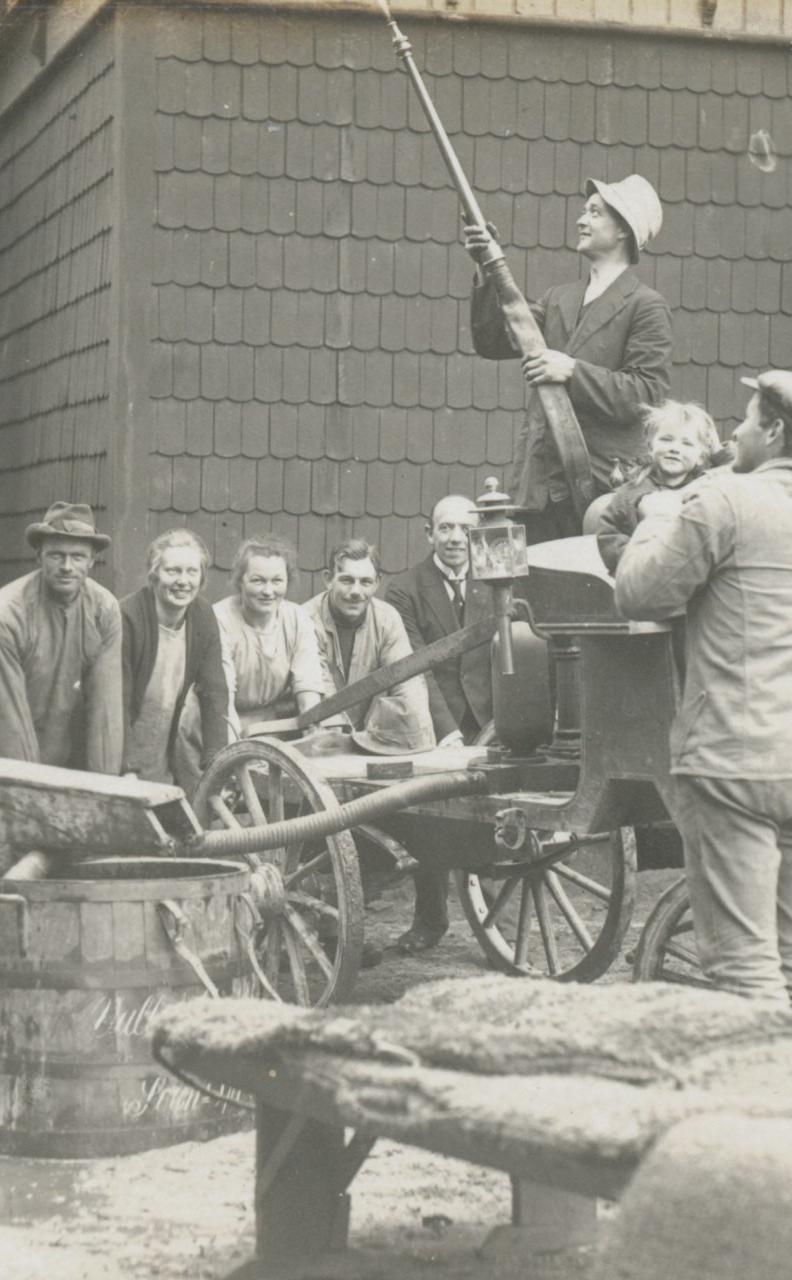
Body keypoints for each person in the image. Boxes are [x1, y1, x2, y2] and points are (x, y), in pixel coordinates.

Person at [614, 371, 792, 1019]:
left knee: (745, 964)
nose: (736, 433)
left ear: (777, 431)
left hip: (734, 763)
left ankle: (765, 1105)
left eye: (749, 421)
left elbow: (640, 594)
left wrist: (654, 518)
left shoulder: (724, 501)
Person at [464, 176, 674, 541]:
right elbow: (495, 340)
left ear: (624, 229)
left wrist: (572, 371)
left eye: (595, 213)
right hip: (540, 489)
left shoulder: (646, 306)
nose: (581, 220)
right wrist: (486, 265)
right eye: (584, 211)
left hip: (600, 492)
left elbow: (647, 393)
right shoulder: (558, 298)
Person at [0, 502, 124, 878]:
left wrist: (104, 803)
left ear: (93, 561)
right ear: (39, 556)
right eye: (56, 555)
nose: (66, 566)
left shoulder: (104, 611)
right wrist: (39, 811)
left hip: (50, 758)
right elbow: (7, 723)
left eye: (77, 556)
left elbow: (105, 717)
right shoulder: (4, 616)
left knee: (65, 872)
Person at [384, 494, 494, 954]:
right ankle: (430, 921)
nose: (455, 539)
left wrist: (504, 724)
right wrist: (446, 731)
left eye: (466, 530)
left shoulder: (497, 582)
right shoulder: (404, 589)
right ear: (429, 534)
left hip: (491, 721)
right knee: (429, 820)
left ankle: (497, 931)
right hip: (434, 722)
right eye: (446, 528)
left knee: (497, 821)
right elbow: (415, 665)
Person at [120, 529, 232, 790]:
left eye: (192, 572)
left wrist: (217, 763)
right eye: (173, 571)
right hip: (119, 747)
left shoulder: (202, 615)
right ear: (154, 574)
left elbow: (214, 692)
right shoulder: (128, 617)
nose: (183, 581)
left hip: (161, 750)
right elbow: (117, 700)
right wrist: (124, 768)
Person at [304, 540, 435, 753]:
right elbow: (322, 696)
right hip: (320, 739)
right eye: (346, 580)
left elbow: (408, 683)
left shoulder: (387, 619)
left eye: (365, 582)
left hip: (369, 741)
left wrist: (422, 747)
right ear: (328, 579)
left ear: (377, 583)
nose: (356, 591)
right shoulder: (306, 620)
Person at [211, 537, 330, 735]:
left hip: (273, 722)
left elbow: (308, 689)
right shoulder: (220, 619)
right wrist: (237, 755)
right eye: (258, 581)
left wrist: (313, 736)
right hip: (223, 722)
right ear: (241, 581)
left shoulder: (297, 618)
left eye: (277, 581)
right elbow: (223, 701)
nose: (268, 591)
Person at [593, 401, 721, 572]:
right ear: (650, 446)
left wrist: (719, 452)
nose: (675, 448)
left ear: (701, 456)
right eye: (666, 439)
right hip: (646, 575)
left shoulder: (707, 485)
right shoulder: (630, 494)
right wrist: (638, 566)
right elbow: (610, 537)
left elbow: (744, 474)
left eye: (687, 444)